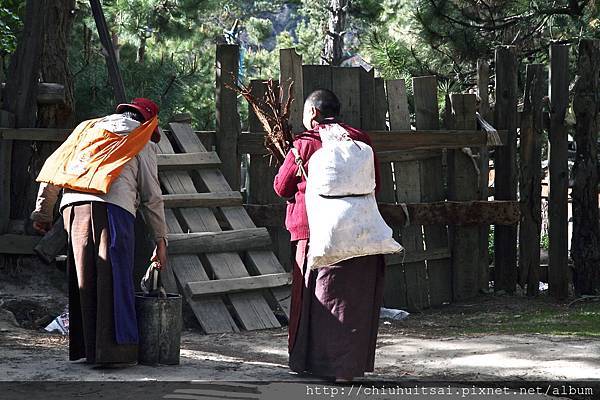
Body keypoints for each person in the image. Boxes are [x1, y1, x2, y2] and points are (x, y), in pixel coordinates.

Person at [31, 98, 168, 367]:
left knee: (84, 278)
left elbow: (54, 167)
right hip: (113, 209)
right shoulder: (141, 137)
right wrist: (161, 240)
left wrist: (43, 213)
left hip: (73, 208)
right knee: (114, 277)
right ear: (148, 122)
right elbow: (152, 196)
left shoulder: (87, 129)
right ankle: (114, 353)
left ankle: (88, 348)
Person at [273, 89, 385, 381]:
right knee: (351, 302)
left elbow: (282, 186)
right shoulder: (360, 139)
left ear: (313, 114)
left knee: (315, 298)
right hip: (360, 232)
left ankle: (311, 364)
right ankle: (346, 369)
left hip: (313, 233)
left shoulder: (306, 143)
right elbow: (377, 184)